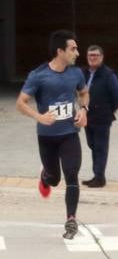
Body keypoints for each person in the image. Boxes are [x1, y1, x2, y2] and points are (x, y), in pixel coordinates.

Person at [16, 30, 89, 240]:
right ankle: (45, 177)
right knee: (55, 179)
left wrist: (84, 110)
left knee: (72, 175)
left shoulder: (76, 73)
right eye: (73, 48)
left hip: (70, 133)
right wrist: (39, 117)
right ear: (60, 51)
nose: (77, 52)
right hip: (47, 137)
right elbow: (20, 103)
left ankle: (71, 219)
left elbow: (84, 93)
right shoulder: (38, 75)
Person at [81, 45, 118, 188]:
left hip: (102, 118)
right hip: (87, 117)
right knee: (92, 145)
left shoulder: (108, 74)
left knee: (100, 147)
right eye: (90, 55)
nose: (92, 58)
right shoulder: (84, 73)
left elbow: (117, 97)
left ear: (102, 57)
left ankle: (99, 177)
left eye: (95, 55)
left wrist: (108, 111)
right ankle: (97, 175)